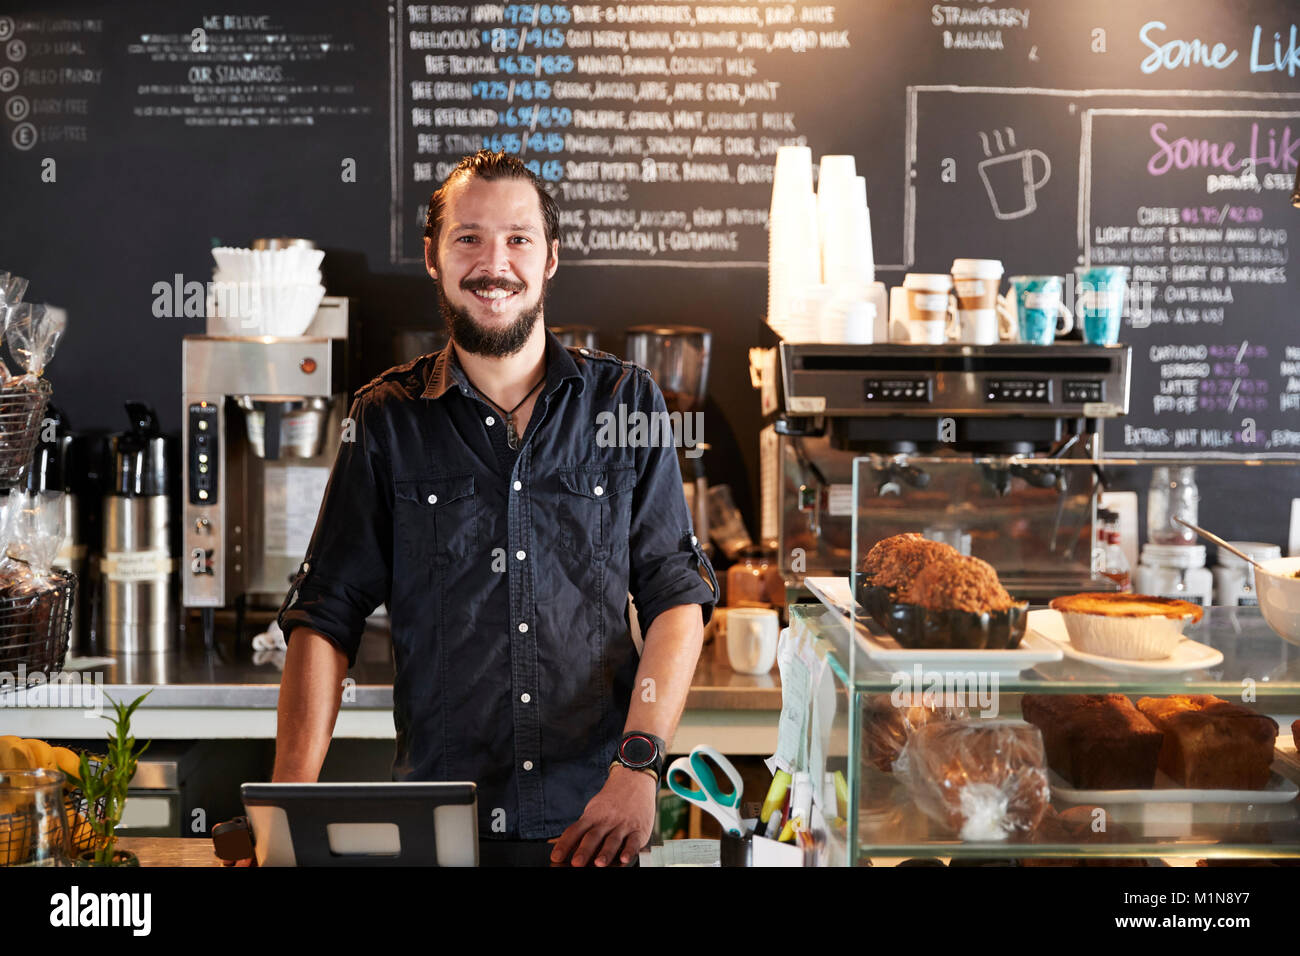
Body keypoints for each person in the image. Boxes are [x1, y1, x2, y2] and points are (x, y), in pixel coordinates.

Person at [273, 149, 717, 867]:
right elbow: (327, 612)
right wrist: (285, 810)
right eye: (468, 237)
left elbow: (675, 597)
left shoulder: (627, 404)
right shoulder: (385, 419)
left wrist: (638, 769)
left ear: (549, 259)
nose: (494, 263)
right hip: (440, 831)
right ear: (433, 257)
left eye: (518, 238)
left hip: (597, 826)